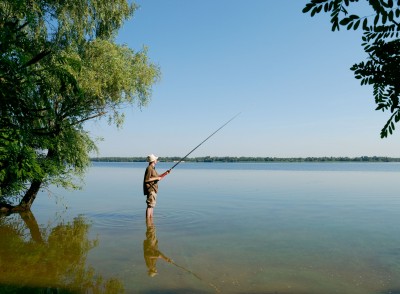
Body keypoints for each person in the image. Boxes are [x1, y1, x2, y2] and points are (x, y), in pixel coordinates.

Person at [143, 154, 170, 219]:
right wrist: (157, 178)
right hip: (151, 189)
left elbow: (158, 177)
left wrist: (165, 173)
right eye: (156, 159)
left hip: (154, 189)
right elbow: (147, 179)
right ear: (153, 160)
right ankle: (148, 221)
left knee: (152, 206)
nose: (157, 160)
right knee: (150, 206)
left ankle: (150, 221)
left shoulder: (153, 168)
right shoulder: (149, 168)